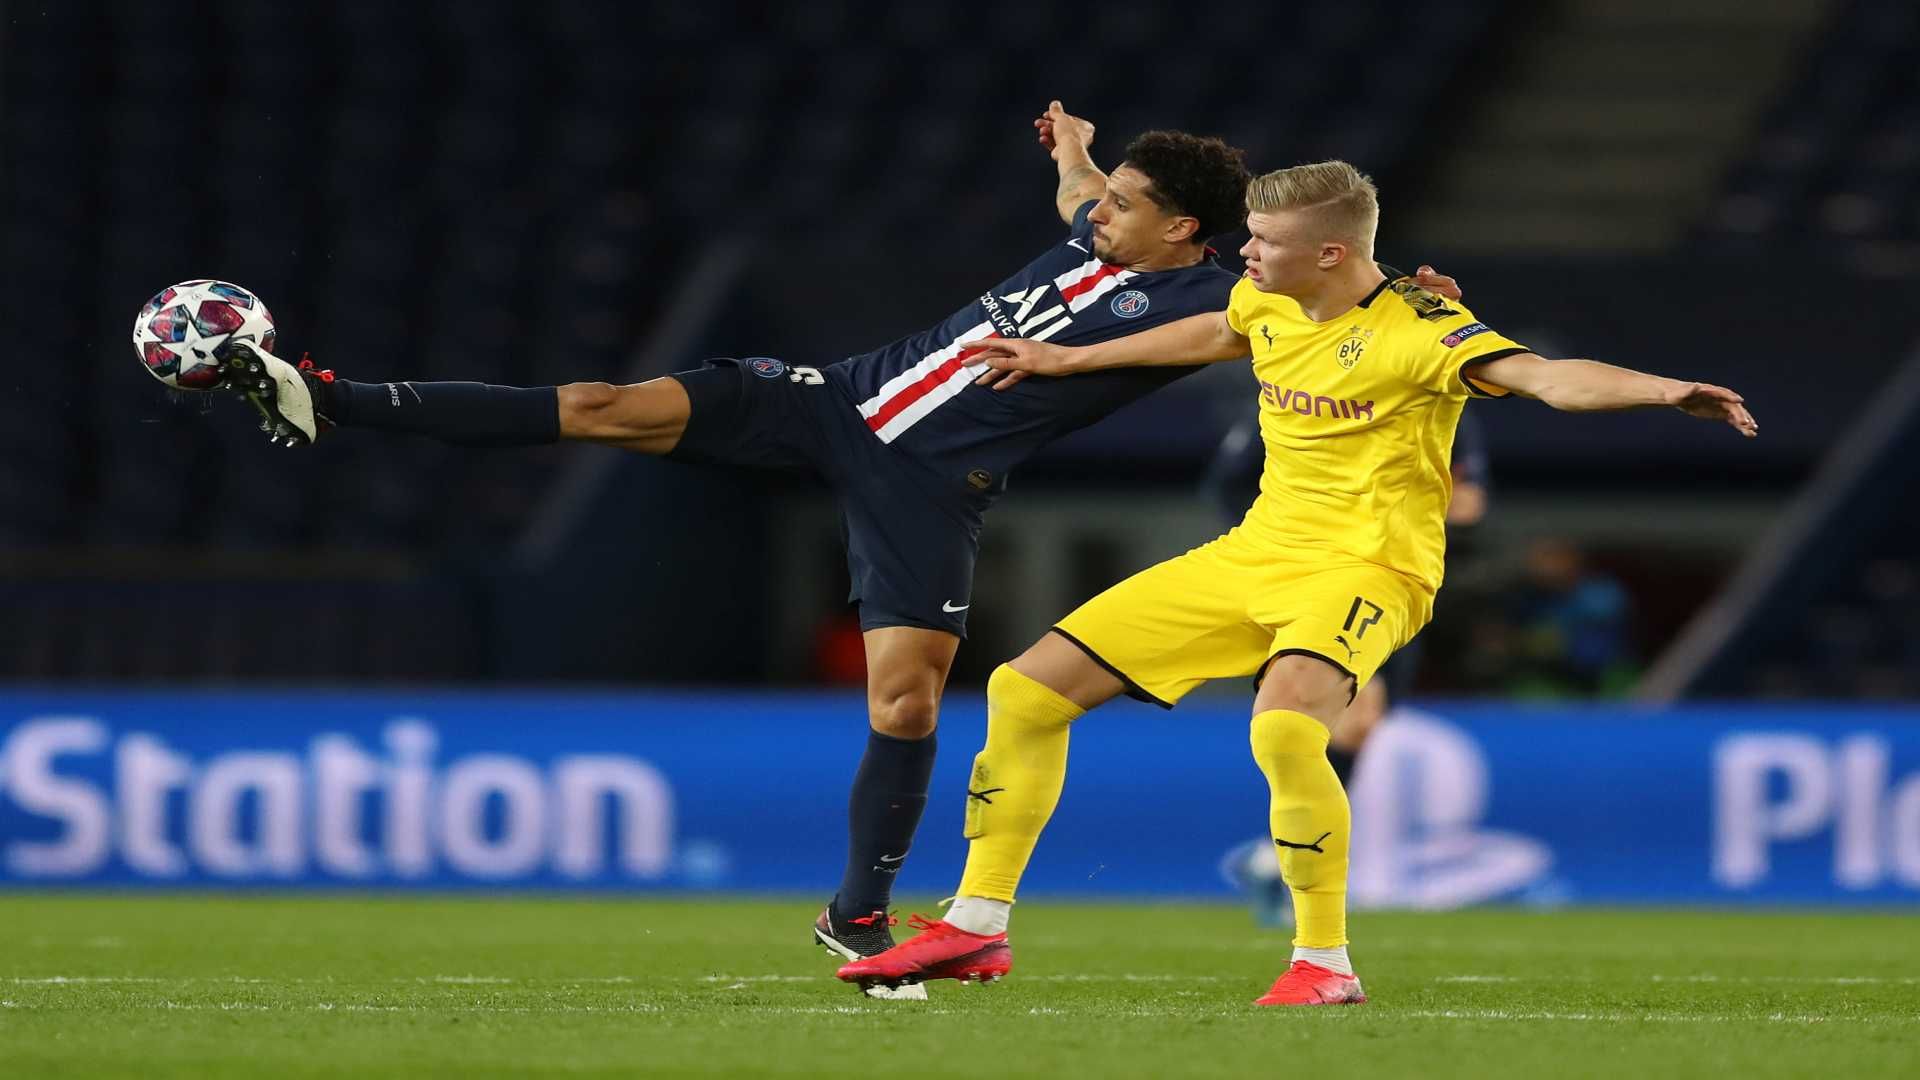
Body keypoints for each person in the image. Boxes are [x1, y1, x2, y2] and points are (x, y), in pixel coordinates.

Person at [206, 105, 1463, 992]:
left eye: (1131, 206)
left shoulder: (1217, 294)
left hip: (929, 480)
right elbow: (1082, 198)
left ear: (1187, 238)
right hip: (831, 395)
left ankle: (858, 913)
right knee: (601, 404)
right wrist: (1079, 158)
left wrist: (1417, 296)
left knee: (908, 696)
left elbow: (1323, 290)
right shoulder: (1102, 228)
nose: (1102, 215)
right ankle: (330, 395)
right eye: (1111, 197)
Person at [837, 159, 1756, 1006]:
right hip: (1257, 551)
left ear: (1330, 251)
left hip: (1368, 566)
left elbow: (1549, 379)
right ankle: (975, 927)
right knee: (1025, 691)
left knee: (1283, 730)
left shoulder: (1423, 327)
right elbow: (1213, 328)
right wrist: (1067, 357)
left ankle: (1323, 963)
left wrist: (1665, 389)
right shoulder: (1266, 300)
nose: (1243, 253)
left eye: (1262, 242)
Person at [1202, 361, 1493, 788]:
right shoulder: (1299, 395)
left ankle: (1324, 838)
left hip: (1393, 579)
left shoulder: (1442, 406)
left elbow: (1470, 502)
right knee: (1332, 717)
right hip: (1305, 578)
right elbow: (1226, 485)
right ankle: (1304, 839)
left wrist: (1395, 501)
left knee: (1361, 725)